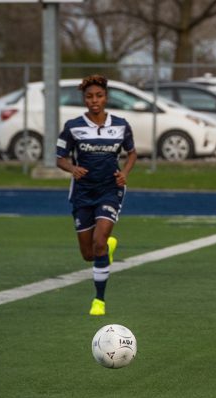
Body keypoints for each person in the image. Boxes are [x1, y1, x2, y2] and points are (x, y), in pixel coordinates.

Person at [56, 74, 137, 316]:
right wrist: (72, 168)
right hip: (82, 193)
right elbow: (60, 158)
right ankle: (106, 249)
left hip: (109, 190)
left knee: (99, 242)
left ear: (106, 97)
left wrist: (125, 172)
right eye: (89, 96)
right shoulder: (73, 127)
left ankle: (98, 300)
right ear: (84, 99)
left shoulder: (121, 125)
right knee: (88, 254)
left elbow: (132, 153)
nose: (94, 100)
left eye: (99, 96)